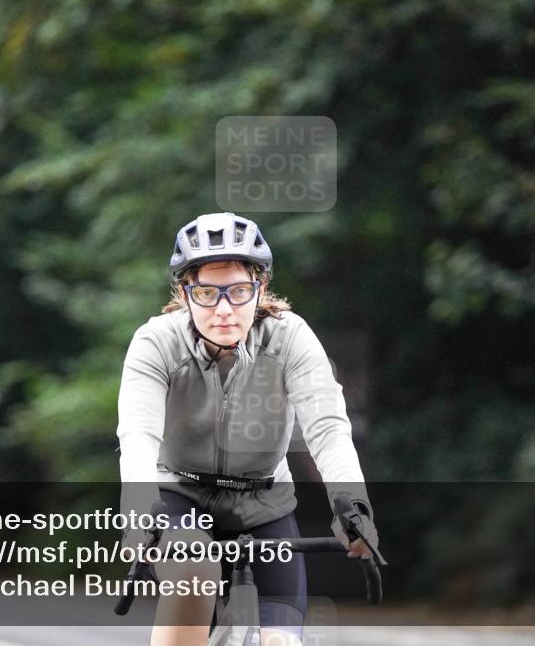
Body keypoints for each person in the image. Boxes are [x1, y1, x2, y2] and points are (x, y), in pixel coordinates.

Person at [116, 212, 380, 646]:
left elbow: (327, 427)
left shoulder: (289, 338)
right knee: (194, 574)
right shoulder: (156, 342)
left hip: (264, 505)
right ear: (185, 294)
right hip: (179, 495)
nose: (223, 309)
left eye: (238, 291)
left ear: (259, 289)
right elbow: (138, 434)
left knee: (281, 642)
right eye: (206, 292)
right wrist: (138, 509)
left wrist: (352, 504)